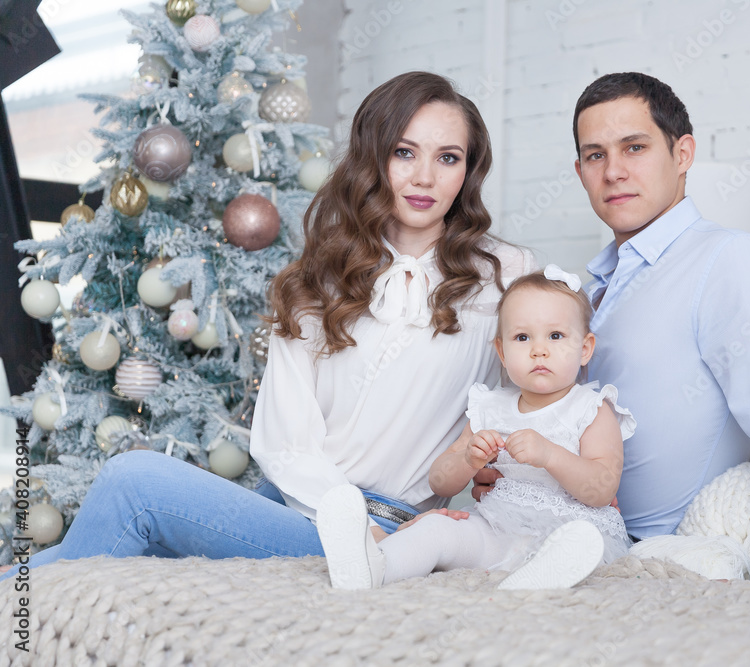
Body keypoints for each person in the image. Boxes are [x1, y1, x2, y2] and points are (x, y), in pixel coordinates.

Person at [0, 71, 533, 584]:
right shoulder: (318, 279)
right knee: (73, 560)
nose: (425, 177)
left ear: (468, 171)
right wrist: (352, 525)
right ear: (373, 158)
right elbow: (284, 443)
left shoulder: (505, 275)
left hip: (389, 523)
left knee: (132, 481)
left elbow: (539, 394)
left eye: (448, 157)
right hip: (294, 510)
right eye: (404, 152)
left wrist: (487, 489)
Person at [475, 72, 750, 582]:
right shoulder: (588, 292)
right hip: (575, 543)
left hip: (669, 560)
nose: (613, 171)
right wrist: (517, 481)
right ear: (580, 171)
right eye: (595, 155)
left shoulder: (731, 261)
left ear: (682, 153)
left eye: (635, 147)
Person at [319, 265, 635, 590]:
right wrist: (467, 459)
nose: (538, 350)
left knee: (575, 544)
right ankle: (377, 567)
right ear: (502, 352)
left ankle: (537, 577)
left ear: (585, 349)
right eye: (522, 337)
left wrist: (550, 455)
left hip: (567, 530)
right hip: (496, 529)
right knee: (436, 529)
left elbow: (602, 490)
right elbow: (439, 483)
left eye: (556, 336)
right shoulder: (490, 407)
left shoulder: (591, 409)